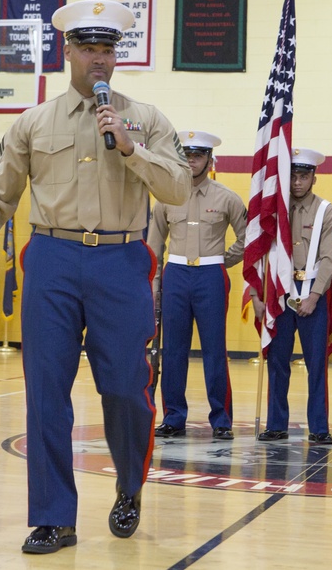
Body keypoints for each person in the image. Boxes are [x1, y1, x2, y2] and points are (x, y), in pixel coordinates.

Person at [0, 0, 189, 554]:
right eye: (89, 49)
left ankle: (128, 485)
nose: (99, 60)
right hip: (52, 259)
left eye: (109, 50)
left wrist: (131, 148)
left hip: (121, 262)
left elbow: (178, 188)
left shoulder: (144, 119)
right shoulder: (33, 122)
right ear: (68, 52)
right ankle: (54, 516)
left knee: (125, 387)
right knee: (46, 390)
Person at [148, 130, 246, 441]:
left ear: (209, 160)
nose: (192, 161)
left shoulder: (227, 197)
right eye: (187, 155)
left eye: (198, 155)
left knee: (214, 351)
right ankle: (174, 417)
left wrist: (223, 260)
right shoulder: (166, 197)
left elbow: (248, 238)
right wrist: (154, 283)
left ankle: (221, 419)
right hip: (176, 275)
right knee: (173, 350)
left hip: (210, 277)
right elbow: (154, 244)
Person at [251, 147, 332, 444]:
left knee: (316, 364)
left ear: (315, 177)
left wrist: (315, 296)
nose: (298, 182)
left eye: (304, 176)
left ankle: (319, 427)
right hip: (279, 295)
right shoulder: (274, 211)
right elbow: (260, 254)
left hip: (312, 296)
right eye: (294, 176)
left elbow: (330, 259)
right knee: (278, 362)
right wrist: (256, 293)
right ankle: (276, 423)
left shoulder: (327, 211)